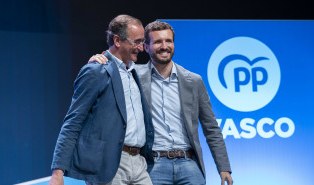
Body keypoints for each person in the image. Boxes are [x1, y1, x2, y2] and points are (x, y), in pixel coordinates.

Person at [89, 21, 233, 185]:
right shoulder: (133, 75)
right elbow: (109, 72)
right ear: (146, 47)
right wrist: (97, 61)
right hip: (153, 164)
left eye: (168, 41)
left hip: (188, 162)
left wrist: (224, 168)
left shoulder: (193, 81)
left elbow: (211, 128)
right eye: (158, 42)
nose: (164, 46)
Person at [49, 15, 154, 185]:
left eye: (142, 41)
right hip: (110, 165)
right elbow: (73, 121)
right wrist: (58, 172)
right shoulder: (96, 71)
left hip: (139, 164)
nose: (141, 48)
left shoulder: (133, 72)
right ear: (118, 40)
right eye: (137, 42)